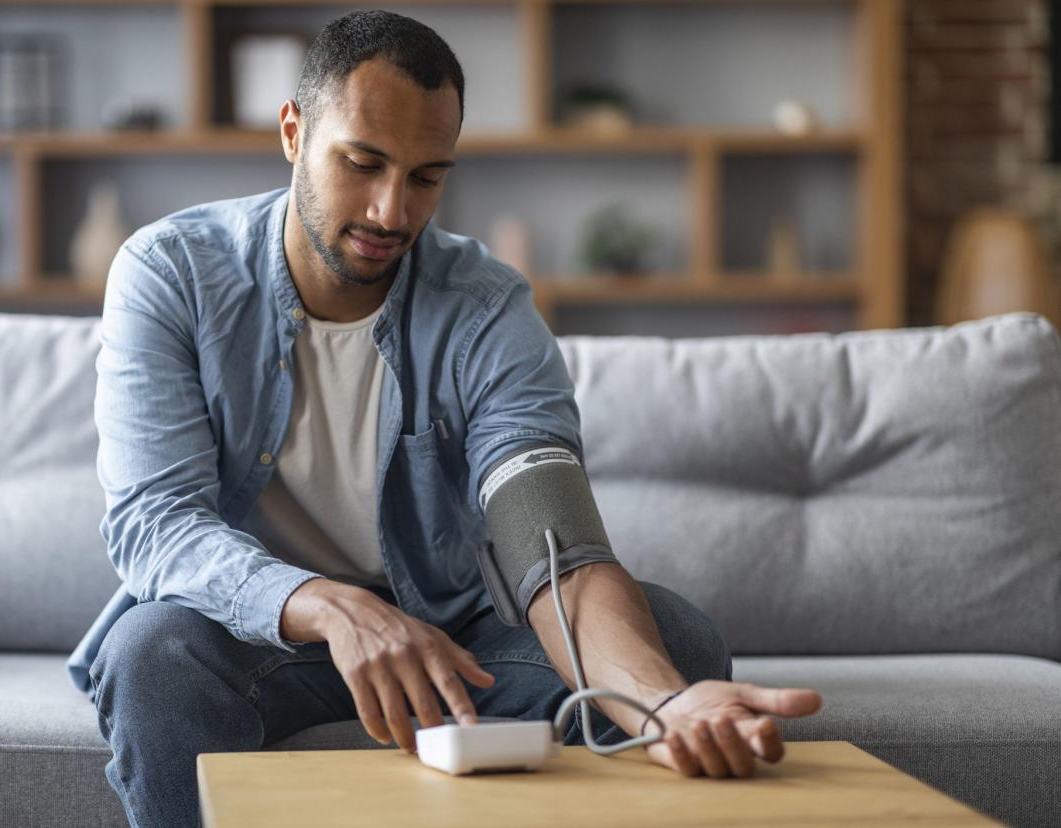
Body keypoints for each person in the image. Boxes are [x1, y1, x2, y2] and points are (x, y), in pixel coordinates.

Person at [71, 10, 823, 826]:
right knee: (150, 656)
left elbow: (554, 548)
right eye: (362, 163)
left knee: (674, 642)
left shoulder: (486, 309)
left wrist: (658, 704)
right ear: (292, 133)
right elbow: (156, 523)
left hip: (448, 636)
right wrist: (335, 607)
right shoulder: (170, 273)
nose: (392, 212)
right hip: (256, 635)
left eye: (427, 177)